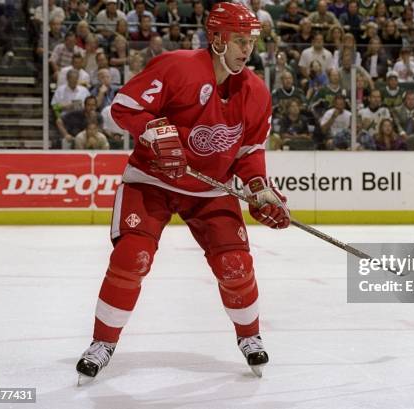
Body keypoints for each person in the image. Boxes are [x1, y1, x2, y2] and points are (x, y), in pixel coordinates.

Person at [76, 2, 290, 382]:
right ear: (216, 38)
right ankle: (103, 342)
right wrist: (156, 131)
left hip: (210, 190)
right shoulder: (178, 66)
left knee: (235, 265)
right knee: (133, 257)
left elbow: (249, 151)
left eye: (251, 41)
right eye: (239, 40)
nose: (246, 49)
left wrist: (259, 188)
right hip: (152, 181)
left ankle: (249, 336)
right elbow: (123, 107)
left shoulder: (255, 92)